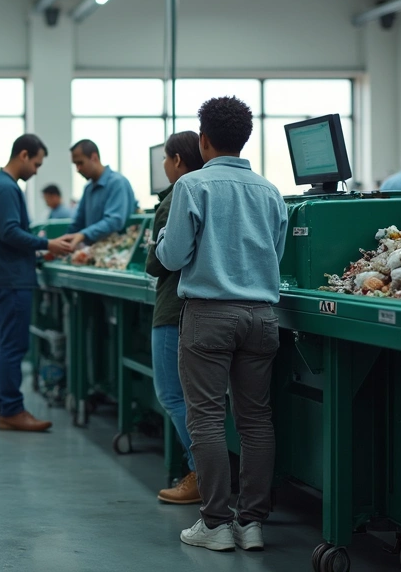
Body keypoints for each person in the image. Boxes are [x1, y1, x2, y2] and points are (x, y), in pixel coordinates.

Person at [154, 97, 288, 553]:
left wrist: (163, 239)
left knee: (207, 418)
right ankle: (251, 523)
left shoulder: (193, 186)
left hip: (208, 317)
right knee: (256, 421)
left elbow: (171, 257)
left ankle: (215, 524)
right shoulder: (271, 192)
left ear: (204, 140)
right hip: (261, 317)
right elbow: (276, 253)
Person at [0, 134, 75, 432]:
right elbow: (10, 232)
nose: (36, 170)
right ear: (23, 155)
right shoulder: (7, 188)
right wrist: (48, 244)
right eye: (36, 163)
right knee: (12, 347)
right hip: (11, 280)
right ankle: (12, 410)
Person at [144, 131, 206, 506]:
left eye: (166, 159)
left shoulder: (174, 200)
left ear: (178, 161)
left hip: (173, 308)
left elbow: (157, 261)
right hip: (207, 307)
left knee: (172, 394)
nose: (164, 167)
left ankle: (201, 472)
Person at [63, 140, 137, 248]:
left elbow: (114, 221)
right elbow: (78, 223)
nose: (78, 169)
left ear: (94, 157)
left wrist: (83, 235)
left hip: (116, 253)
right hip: (95, 252)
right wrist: (63, 241)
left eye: (80, 163)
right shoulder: (88, 189)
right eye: (75, 164)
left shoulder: (117, 183)